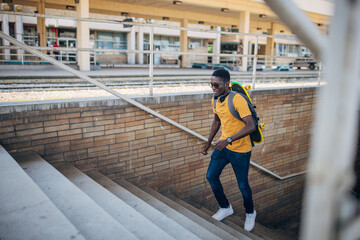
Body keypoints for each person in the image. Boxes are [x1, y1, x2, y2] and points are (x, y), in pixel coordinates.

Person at [202, 68, 257, 232]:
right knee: (211, 176)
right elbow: (216, 121)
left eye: (216, 85)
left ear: (226, 84)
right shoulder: (215, 99)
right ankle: (225, 207)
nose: (213, 88)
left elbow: (251, 125)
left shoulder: (237, 99)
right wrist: (208, 142)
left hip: (240, 150)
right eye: (210, 84)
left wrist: (228, 140)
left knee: (242, 185)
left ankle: (250, 212)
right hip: (223, 146)